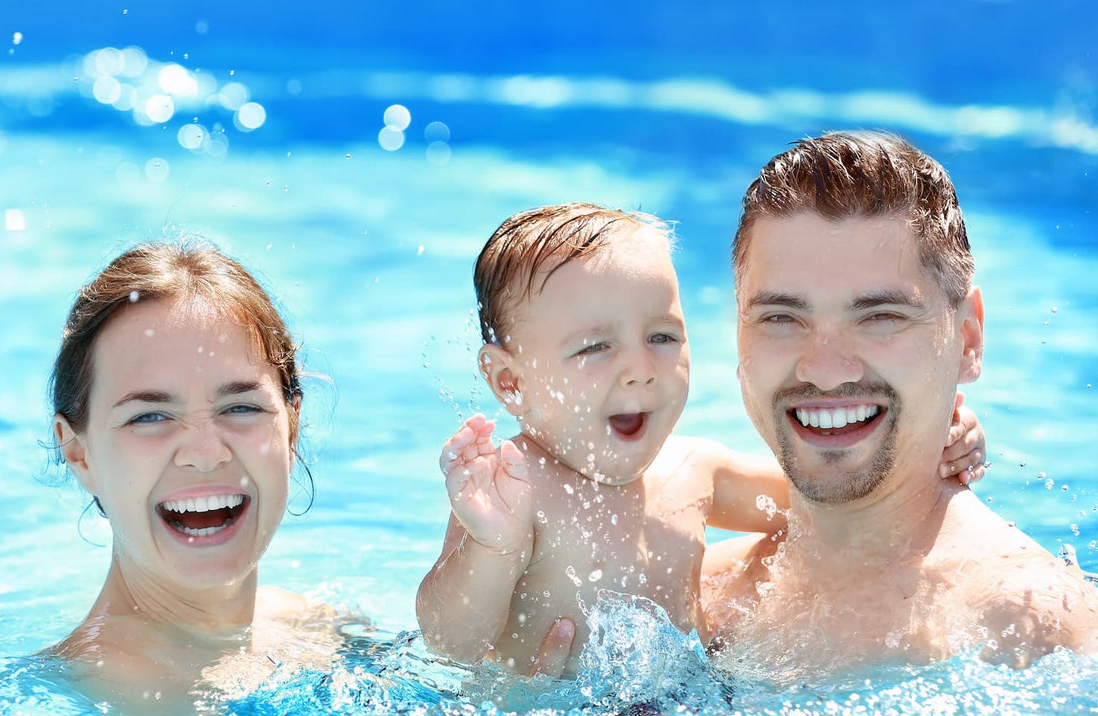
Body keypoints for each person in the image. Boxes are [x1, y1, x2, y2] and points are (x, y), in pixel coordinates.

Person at [416, 203, 987, 674]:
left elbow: (842, 502)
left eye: (662, 336)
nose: (640, 368)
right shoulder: (515, 490)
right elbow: (451, 641)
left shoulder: (694, 470)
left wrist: (933, 448)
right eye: (595, 347)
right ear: (511, 382)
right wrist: (490, 545)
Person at [703, 132, 1098, 677]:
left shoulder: (1024, 624)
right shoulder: (700, 595)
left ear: (967, 340)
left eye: (880, 317)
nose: (825, 369)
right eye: (781, 317)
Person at [45, 239, 335, 716]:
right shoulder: (88, 700)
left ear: (292, 429)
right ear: (79, 454)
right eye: (149, 416)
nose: (205, 454)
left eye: (240, 407)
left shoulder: (317, 627)